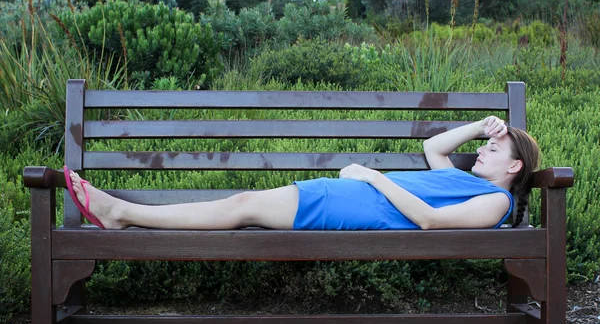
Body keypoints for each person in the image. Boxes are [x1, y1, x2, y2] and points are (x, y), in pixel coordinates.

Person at [64, 116, 540, 231]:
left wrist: (374, 177)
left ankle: (120, 211)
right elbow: (431, 146)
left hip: (357, 204)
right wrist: (480, 125)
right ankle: (121, 212)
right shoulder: (462, 177)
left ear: (515, 166)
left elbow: (431, 223)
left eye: (493, 148)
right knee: (242, 204)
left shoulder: (497, 202)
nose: (482, 150)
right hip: (347, 194)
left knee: (242, 205)